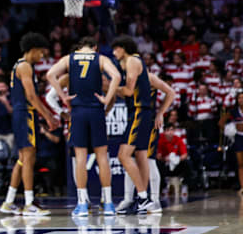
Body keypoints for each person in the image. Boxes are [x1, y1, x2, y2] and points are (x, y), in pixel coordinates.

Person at [46, 37, 121, 216]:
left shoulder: (69, 58)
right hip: (96, 111)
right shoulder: (101, 58)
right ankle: (109, 203)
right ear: (94, 47)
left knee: (80, 157)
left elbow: (50, 75)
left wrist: (62, 97)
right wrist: (106, 99)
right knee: (102, 156)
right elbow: (117, 77)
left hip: (77, 112)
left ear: (79, 48)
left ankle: (81, 203)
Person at [112, 35, 175, 215]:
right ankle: (138, 199)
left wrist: (160, 113)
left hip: (142, 114)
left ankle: (148, 199)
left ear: (124, 48)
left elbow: (170, 93)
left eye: (116, 48)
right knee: (140, 157)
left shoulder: (140, 68)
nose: (114, 52)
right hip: (140, 114)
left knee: (136, 157)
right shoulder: (134, 68)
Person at [0, 32, 58, 216]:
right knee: (29, 159)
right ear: (32, 50)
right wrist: (49, 116)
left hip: (21, 115)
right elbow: (32, 97)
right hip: (25, 115)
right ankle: (29, 203)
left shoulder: (19, 65)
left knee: (22, 160)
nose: (42, 56)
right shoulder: (25, 67)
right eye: (40, 52)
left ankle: (8, 202)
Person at [156, 123, 193, 190]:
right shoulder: (159, 140)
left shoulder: (178, 139)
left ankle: (186, 185)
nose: (170, 132)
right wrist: (165, 158)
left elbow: (185, 154)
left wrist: (177, 159)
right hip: (164, 164)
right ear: (164, 131)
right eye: (168, 130)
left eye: (172, 130)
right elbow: (158, 156)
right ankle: (162, 187)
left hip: (176, 164)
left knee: (187, 163)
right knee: (157, 164)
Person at [225, 92, 243, 196]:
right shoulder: (233, 111)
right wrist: (230, 129)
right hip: (239, 137)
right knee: (241, 164)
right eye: (239, 98)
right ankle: (242, 186)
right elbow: (221, 122)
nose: (241, 100)